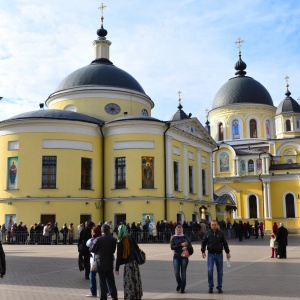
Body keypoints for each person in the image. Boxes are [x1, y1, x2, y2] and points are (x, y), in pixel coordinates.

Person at [201, 220, 231, 294]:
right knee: (210, 270)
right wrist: (203, 251)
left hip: (219, 254)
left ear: (217, 225)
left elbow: (225, 243)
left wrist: (227, 252)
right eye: (212, 225)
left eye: (215, 225)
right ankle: (210, 287)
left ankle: (219, 287)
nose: (213, 226)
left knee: (220, 272)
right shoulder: (207, 233)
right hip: (210, 254)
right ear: (210, 225)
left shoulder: (221, 233)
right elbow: (203, 242)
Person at [90, 224, 118, 300]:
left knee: (102, 283)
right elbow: (113, 251)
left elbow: (92, 249)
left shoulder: (98, 239)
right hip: (109, 263)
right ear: (109, 230)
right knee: (111, 282)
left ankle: (103, 298)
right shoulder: (113, 239)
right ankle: (114, 297)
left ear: (102, 231)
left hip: (100, 264)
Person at [115, 224, 143, 300]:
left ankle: (129, 296)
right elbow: (137, 248)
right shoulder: (131, 237)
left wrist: (117, 268)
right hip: (135, 263)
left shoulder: (120, 241)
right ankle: (137, 296)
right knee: (136, 281)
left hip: (128, 264)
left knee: (129, 282)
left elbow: (118, 256)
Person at [170, 225, 193, 294]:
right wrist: (181, 245)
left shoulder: (185, 237)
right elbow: (172, 247)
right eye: (177, 230)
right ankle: (179, 283)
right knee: (176, 272)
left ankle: (183, 287)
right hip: (176, 256)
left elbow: (190, 246)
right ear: (176, 230)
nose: (179, 231)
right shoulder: (173, 238)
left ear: (182, 230)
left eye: (180, 230)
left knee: (183, 273)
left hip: (184, 257)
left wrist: (187, 248)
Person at [86, 226, 102, 298]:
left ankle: (93, 292)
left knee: (92, 276)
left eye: (92, 232)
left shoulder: (94, 240)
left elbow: (93, 252)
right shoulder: (101, 239)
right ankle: (107, 291)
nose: (91, 233)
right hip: (101, 261)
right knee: (103, 277)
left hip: (95, 261)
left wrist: (92, 265)